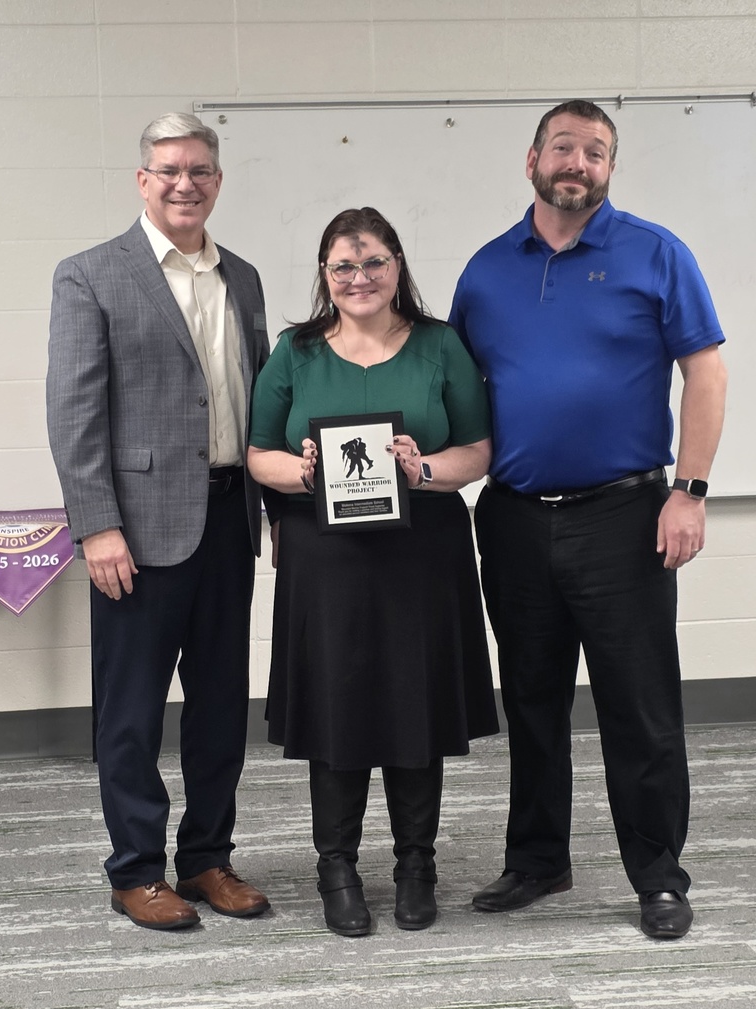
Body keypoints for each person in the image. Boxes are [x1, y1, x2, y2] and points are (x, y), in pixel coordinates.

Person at [450, 100, 727, 940]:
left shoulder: (656, 253)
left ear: (610, 168)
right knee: (530, 699)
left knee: (638, 706)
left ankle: (659, 876)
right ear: (532, 157)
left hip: (627, 516)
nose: (578, 162)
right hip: (514, 519)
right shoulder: (487, 270)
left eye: (596, 151)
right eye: (563, 147)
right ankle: (539, 860)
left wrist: (693, 489)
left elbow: (706, 377)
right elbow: (452, 391)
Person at [247, 207, 500, 937]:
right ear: (326, 275)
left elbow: (479, 450)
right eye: (343, 267)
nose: (359, 278)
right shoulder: (296, 351)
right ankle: (338, 868)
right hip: (325, 563)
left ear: (398, 267)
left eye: (374, 263)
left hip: (423, 555)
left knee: (414, 707)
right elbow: (259, 451)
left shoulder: (440, 345)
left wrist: (423, 469)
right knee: (337, 709)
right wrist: (298, 473)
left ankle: (416, 865)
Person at [46, 113, 271, 930]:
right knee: (132, 712)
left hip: (227, 520)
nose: (186, 183)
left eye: (201, 170)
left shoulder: (241, 277)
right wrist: (96, 525)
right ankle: (136, 868)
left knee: (219, 706)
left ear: (217, 180)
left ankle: (207, 857)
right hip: (135, 534)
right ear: (143, 180)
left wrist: (274, 505)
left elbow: (257, 402)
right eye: (170, 170)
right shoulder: (91, 275)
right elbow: (73, 414)